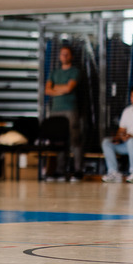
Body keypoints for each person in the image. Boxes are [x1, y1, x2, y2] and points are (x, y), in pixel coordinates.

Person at [44, 45, 83, 181]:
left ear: (71, 56)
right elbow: (47, 90)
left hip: (70, 109)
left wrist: (56, 88)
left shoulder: (75, 71)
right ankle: (60, 170)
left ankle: (78, 170)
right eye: (62, 54)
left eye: (67, 54)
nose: (65, 56)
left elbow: (69, 88)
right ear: (59, 56)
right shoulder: (54, 72)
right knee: (59, 141)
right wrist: (62, 88)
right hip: (56, 110)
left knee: (74, 139)